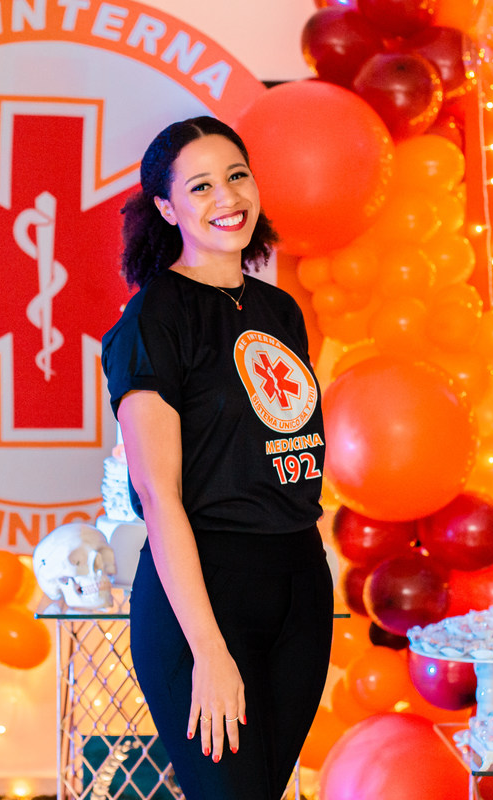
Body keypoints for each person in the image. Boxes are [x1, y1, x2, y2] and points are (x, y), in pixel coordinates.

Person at [101, 116, 333, 800]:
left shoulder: (279, 311)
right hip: (206, 591)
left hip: (299, 584)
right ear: (167, 208)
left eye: (236, 175)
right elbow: (158, 496)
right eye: (200, 186)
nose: (227, 196)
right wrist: (208, 648)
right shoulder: (153, 321)